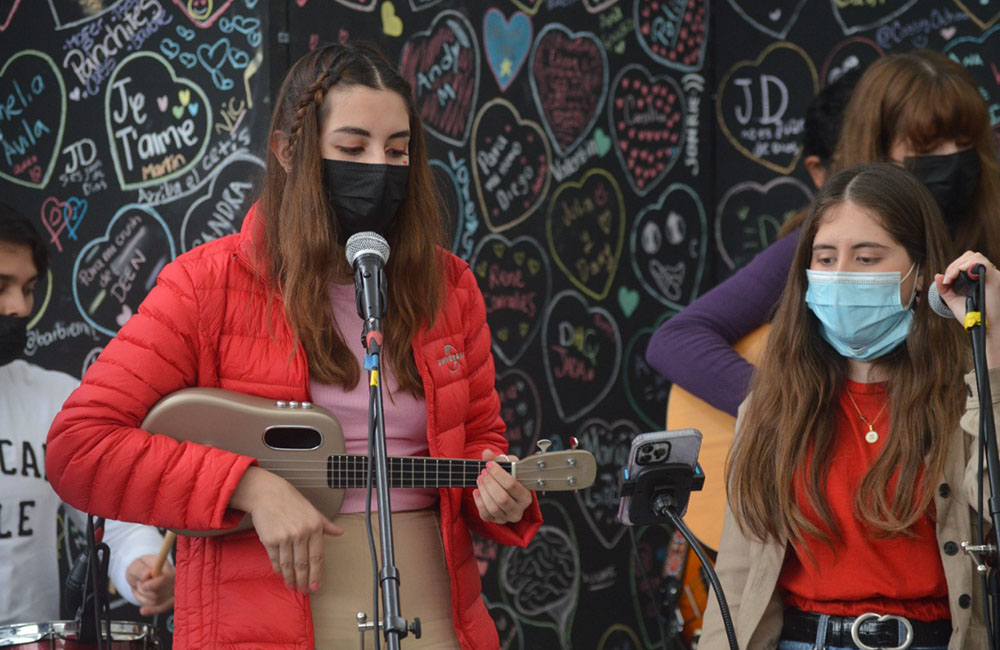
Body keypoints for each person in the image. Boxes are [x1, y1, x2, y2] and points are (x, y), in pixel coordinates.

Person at [45, 42, 542, 650]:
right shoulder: (206, 285)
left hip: (435, 609)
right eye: (353, 149)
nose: (380, 168)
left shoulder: (451, 287)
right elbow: (78, 447)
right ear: (288, 151)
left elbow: (482, 439)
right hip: (265, 615)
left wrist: (497, 493)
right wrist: (251, 488)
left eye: (398, 150)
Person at [699, 162, 992, 650]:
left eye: (866, 258)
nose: (840, 276)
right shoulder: (771, 405)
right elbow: (736, 576)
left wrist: (993, 350)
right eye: (826, 257)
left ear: (919, 273)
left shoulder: (967, 391)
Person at [646, 49, 1000, 417]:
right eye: (927, 149)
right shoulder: (822, 243)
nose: (953, 160)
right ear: (878, 152)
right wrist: (788, 413)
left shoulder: (988, 238)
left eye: (965, 144)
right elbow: (676, 338)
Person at [0, 203, 174, 624]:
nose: (20, 307)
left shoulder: (54, 398)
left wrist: (143, 561)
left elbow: (110, 518)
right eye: (2, 286)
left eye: (27, 289)